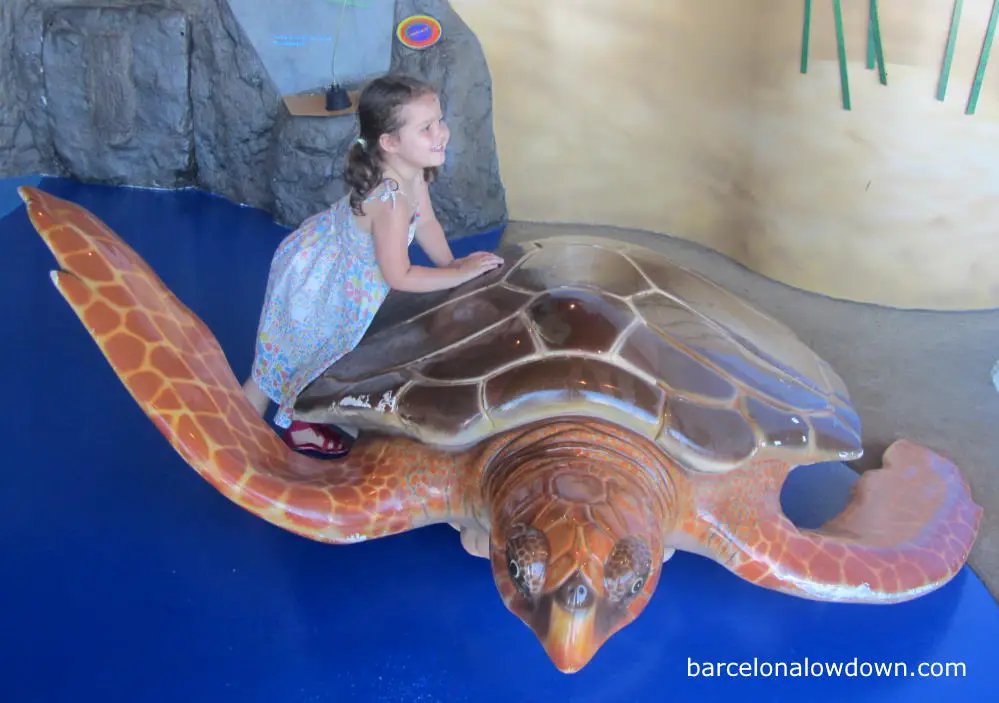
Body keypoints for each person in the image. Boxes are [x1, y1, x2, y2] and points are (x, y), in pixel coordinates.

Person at [241, 73, 504, 457]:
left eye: (440, 120)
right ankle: (237, 443)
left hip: (340, 271)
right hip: (315, 282)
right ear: (390, 143)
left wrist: (452, 262)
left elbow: (427, 221)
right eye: (426, 128)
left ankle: (301, 423)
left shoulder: (414, 173)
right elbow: (399, 275)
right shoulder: (390, 200)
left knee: (316, 355)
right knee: (279, 362)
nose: (441, 133)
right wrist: (457, 275)